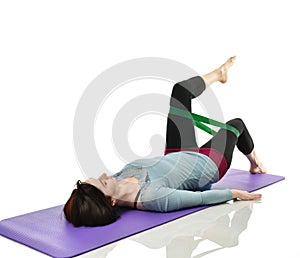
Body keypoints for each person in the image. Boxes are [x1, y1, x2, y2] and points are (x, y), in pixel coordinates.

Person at [64, 56, 267, 227]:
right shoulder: (154, 198)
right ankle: (254, 162)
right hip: (207, 165)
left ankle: (219, 74)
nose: (104, 174)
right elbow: (201, 198)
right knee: (236, 124)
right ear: (113, 200)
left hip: (177, 155)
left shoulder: (116, 182)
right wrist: (236, 194)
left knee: (180, 91)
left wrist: (81, 200)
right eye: (102, 181)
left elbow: (86, 201)